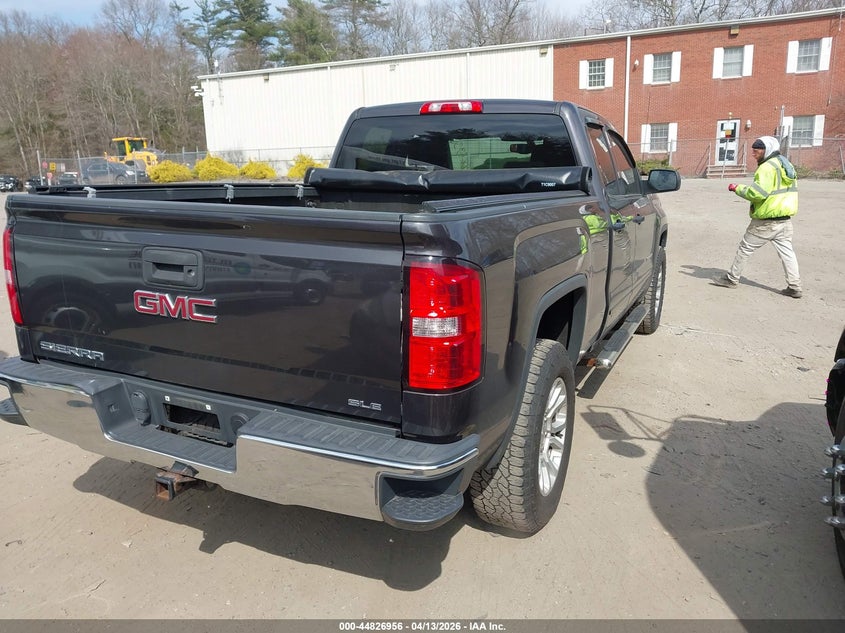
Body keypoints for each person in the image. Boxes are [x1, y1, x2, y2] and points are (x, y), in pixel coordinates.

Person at [712, 135, 802, 298]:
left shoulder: (767, 167)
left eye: (758, 150)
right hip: (784, 218)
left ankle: (731, 279)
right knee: (787, 253)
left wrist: (737, 188)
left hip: (766, 221)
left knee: (745, 248)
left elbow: (758, 194)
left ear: (767, 150)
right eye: (753, 149)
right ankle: (795, 286)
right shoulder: (785, 164)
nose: (754, 153)